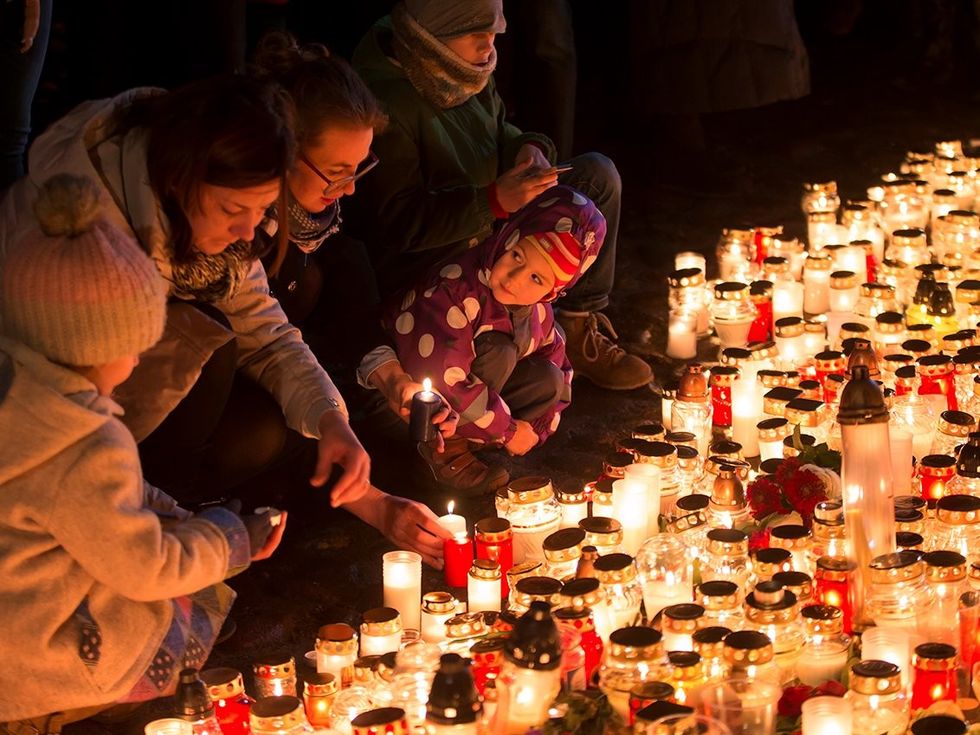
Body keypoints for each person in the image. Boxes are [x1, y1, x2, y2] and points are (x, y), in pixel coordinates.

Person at [0, 74, 449, 568]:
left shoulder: (213, 221)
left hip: (105, 435)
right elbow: (58, 432)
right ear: (179, 180)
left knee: (262, 421)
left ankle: (172, 519)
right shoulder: (81, 250)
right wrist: (169, 553)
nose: (247, 232)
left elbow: (271, 335)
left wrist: (334, 427)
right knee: (209, 342)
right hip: (37, 452)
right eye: (235, 210)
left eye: (261, 210)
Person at [0, 174, 284, 723]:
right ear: (94, 344)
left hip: (15, 609)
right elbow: (143, 567)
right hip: (48, 648)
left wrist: (171, 513)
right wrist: (229, 539)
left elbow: (105, 501)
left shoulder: (22, 390)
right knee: (178, 612)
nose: (135, 364)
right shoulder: (82, 440)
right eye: (135, 346)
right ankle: (68, 706)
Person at [347, 0, 653, 393]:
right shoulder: (386, 103)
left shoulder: (463, 65)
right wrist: (491, 202)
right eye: (476, 32)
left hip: (497, 216)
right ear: (433, 32)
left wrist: (526, 148)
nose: (489, 44)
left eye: (493, 30)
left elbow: (498, 129)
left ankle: (576, 324)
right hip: (444, 250)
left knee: (596, 176)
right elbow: (397, 223)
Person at [382, 185, 605, 489]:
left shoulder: (536, 308)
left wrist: (535, 430)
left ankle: (479, 436)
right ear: (507, 237)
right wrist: (509, 432)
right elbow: (446, 377)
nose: (516, 279)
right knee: (499, 351)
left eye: (536, 278)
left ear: (552, 292)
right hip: (410, 400)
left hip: (472, 396)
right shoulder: (455, 291)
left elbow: (561, 367)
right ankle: (441, 450)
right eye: (516, 256)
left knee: (548, 377)